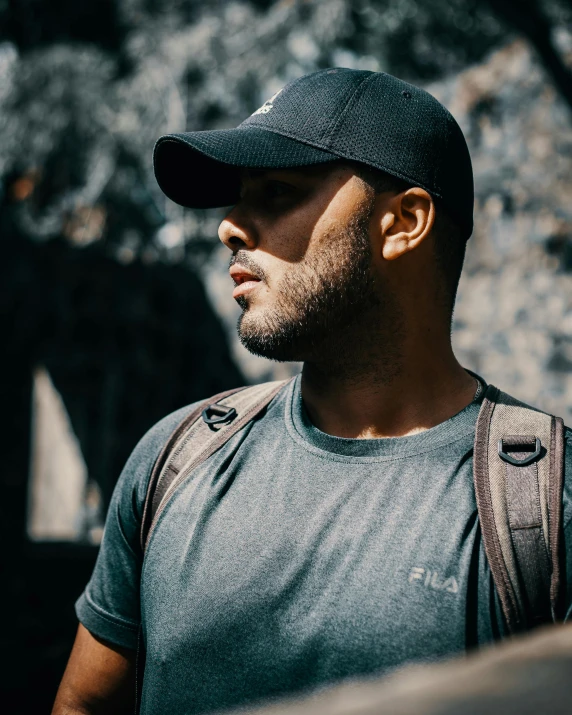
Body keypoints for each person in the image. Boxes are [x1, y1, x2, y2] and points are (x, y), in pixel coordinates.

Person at [52, 68, 572, 715]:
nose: (229, 227)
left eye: (275, 192)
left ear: (403, 221)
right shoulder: (175, 459)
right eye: (239, 197)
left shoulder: (546, 505)